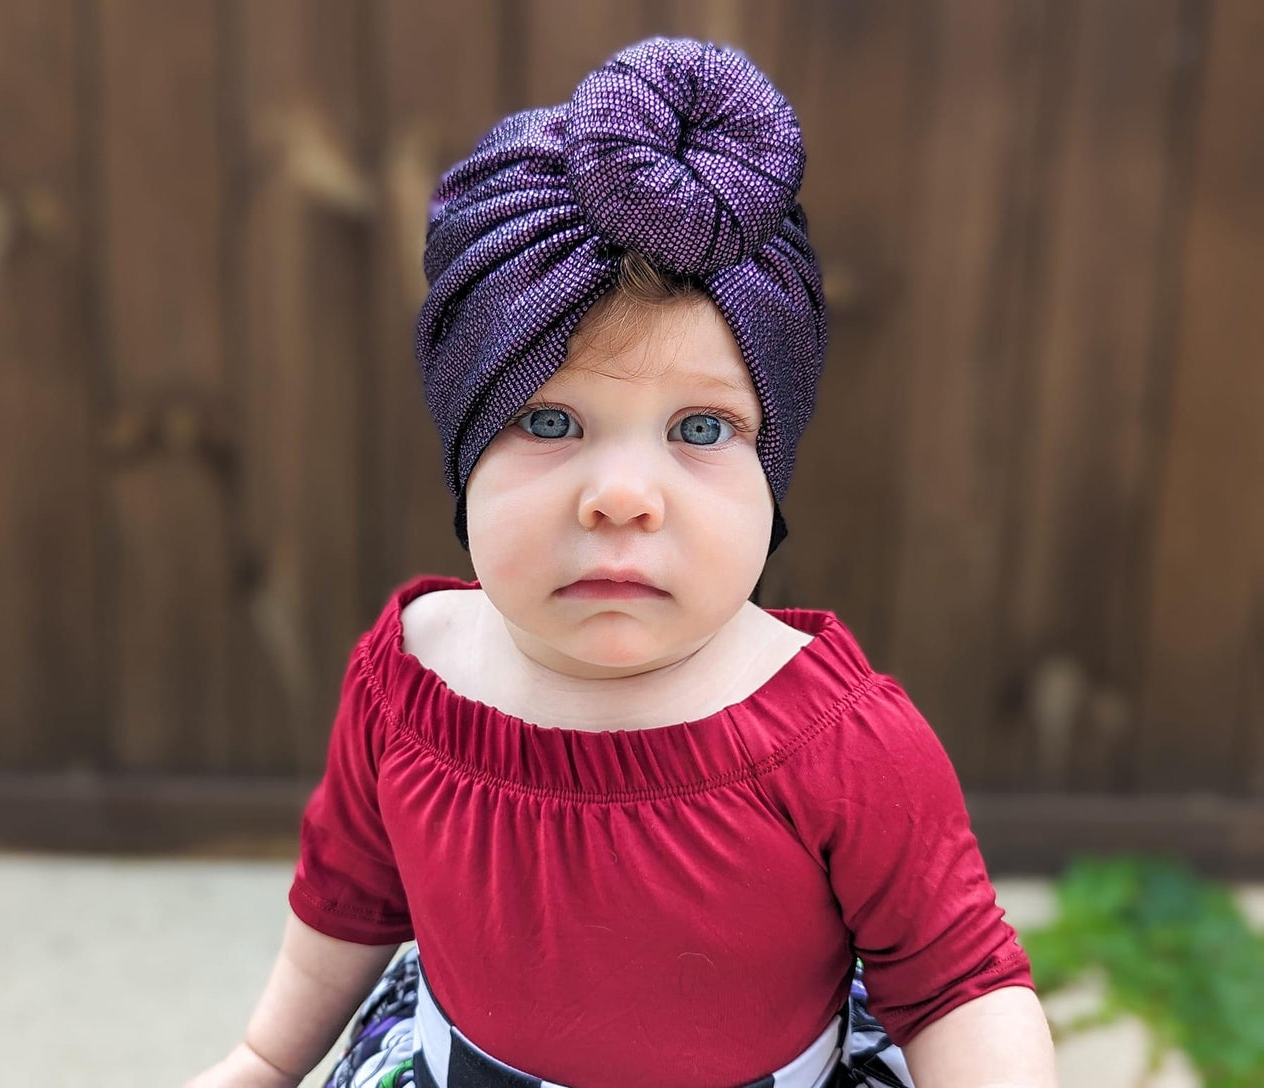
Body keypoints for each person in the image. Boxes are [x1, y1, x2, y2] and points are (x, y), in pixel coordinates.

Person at [188, 36, 1057, 1088]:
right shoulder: (408, 673)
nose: (622, 493)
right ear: (464, 449)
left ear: (770, 466)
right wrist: (266, 1055)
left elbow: (959, 980)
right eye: (549, 418)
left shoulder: (841, 741)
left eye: (698, 430)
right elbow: (345, 894)